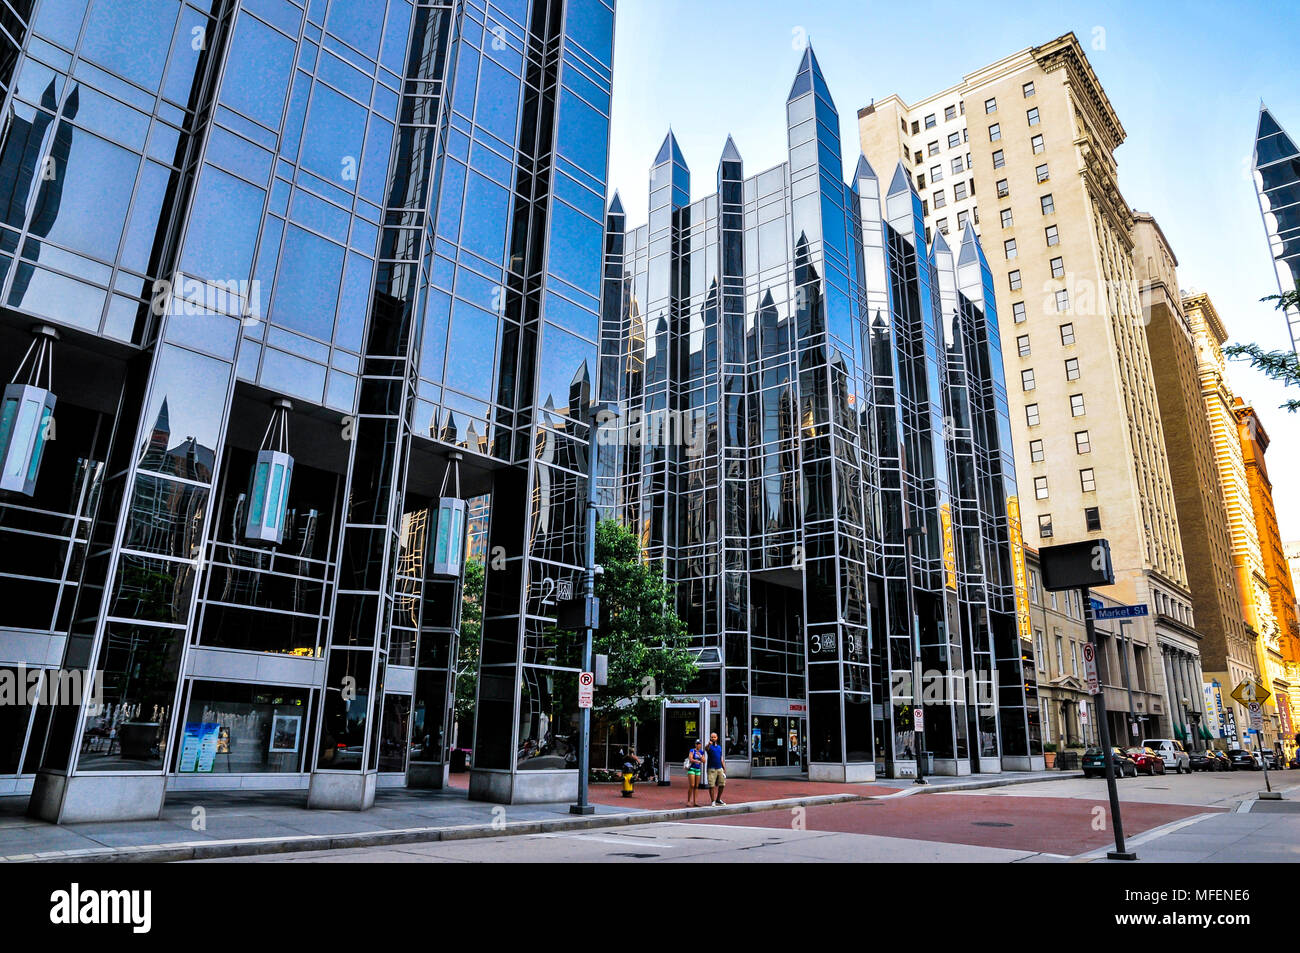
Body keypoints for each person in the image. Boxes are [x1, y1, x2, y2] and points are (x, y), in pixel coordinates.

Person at [706, 731, 727, 805]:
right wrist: (709, 744)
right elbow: (706, 748)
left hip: (719, 768)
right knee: (711, 785)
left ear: (717, 738)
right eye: (712, 737)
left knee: (722, 784)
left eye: (714, 737)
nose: (713, 738)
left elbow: (721, 758)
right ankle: (713, 801)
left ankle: (718, 799)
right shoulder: (709, 746)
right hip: (711, 769)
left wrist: (724, 768)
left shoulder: (719, 747)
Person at [686, 739, 705, 806]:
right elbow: (690, 759)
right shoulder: (692, 750)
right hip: (692, 769)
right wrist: (696, 761)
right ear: (695, 744)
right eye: (697, 744)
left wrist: (700, 755)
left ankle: (695, 802)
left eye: (699, 744)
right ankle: (688, 801)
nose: (698, 745)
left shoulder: (701, 752)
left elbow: (704, 761)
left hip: (698, 769)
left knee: (696, 786)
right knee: (692, 785)